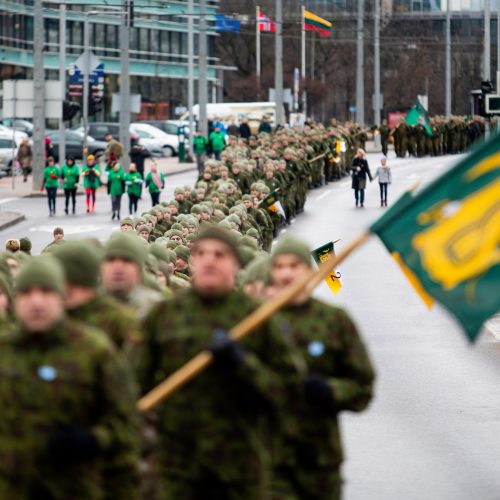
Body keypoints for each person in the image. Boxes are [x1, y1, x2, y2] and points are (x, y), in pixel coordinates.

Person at [140, 226, 299, 499]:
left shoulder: (258, 318)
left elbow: (290, 391)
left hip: (239, 466)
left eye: (220, 254)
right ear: (191, 262)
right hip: (177, 467)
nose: (209, 260)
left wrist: (243, 362)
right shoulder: (164, 316)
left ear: (235, 263)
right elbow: (133, 386)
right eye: (201, 254)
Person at [0, 256, 140, 498]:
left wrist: (94, 440)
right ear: (15, 300)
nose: (36, 302)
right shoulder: (4, 351)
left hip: (75, 489)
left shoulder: (94, 351)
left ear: (62, 297)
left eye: (46, 292)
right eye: (26, 293)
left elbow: (127, 424)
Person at [269, 236, 375, 500]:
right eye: (279, 267)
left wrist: (330, 390)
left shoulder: (333, 321)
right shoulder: (253, 322)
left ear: (308, 270)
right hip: (269, 461)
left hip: (319, 460)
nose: (286, 273)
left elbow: (362, 385)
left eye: (294, 266)